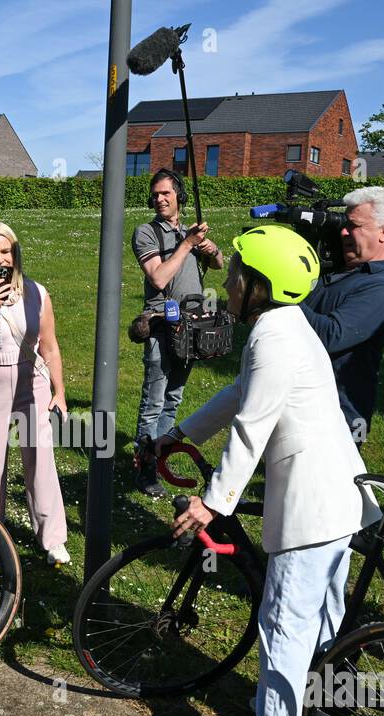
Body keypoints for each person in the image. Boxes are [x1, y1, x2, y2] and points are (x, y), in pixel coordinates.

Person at [155, 225, 382, 716]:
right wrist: (182, 431)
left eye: (236, 273)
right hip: (337, 503)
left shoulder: (274, 338)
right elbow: (241, 396)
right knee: (323, 625)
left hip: (311, 510)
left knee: (284, 628)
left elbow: (251, 431)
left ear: (260, 285)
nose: (228, 281)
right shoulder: (285, 327)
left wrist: (211, 502)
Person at [0, 222, 69, 567]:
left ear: (15, 253)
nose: (0, 259)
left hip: (30, 378)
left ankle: (52, 539)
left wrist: (60, 391)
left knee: (40, 461)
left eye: (5, 251)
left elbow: (50, 347)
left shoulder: (38, 293)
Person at [131, 168, 225, 496]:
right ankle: (144, 467)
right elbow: (158, 278)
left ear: (179, 196)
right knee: (154, 399)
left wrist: (209, 248)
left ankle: (158, 455)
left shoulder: (189, 233)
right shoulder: (146, 232)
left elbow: (219, 265)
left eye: (166, 193)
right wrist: (187, 244)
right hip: (159, 325)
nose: (159, 199)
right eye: (155, 194)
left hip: (193, 325)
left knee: (173, 397)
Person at [298, 186, 384, 443]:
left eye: (354, 225)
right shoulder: (340, 271)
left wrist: (281, 293)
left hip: (335, 420)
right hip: (299, 407)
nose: (343, 231)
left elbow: (331, 335)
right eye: (343, 224)